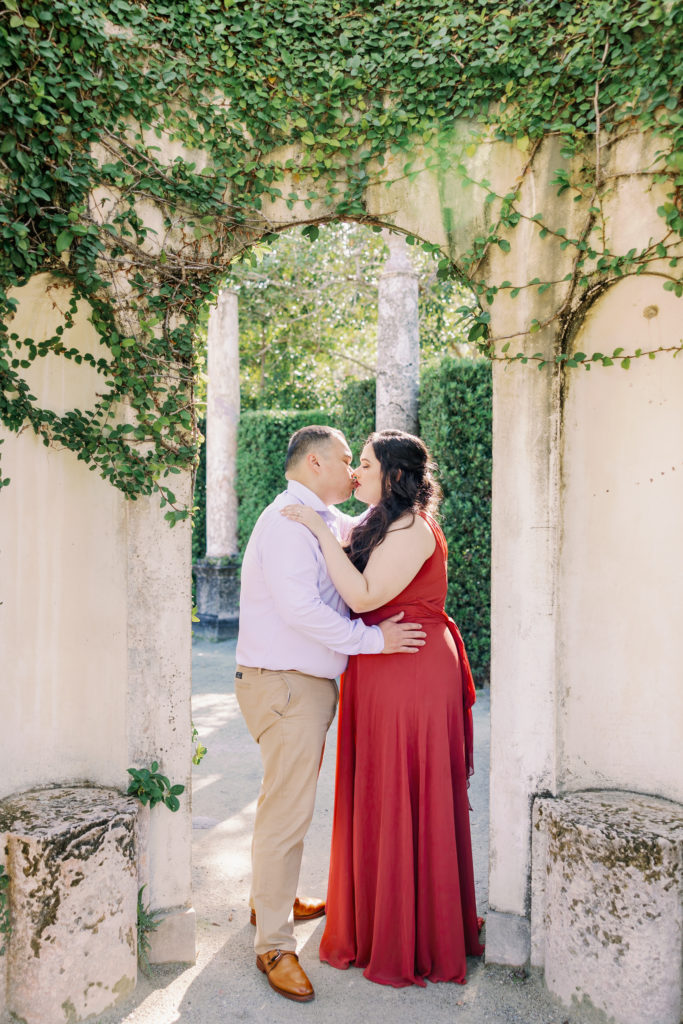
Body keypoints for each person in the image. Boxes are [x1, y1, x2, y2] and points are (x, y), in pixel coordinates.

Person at [281, 428, 485, 988]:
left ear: (394, 476)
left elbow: (365, 596)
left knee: (404, 787)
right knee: (380, 788)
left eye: (364, 466)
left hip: (411, 670)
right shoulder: (378, 521)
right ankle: (378, 919)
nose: (355, 474)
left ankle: (412, 932)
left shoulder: (413, 528)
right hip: (381, 664)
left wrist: (321, 535)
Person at [235, 424, 427, 1004]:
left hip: (296, 685)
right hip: (287, 685)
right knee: (286, 814)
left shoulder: (312, 517)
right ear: (316, 463)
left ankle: (274, 895)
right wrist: (373, 644)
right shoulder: (288, 524)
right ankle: (273, 943)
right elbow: (300, 610)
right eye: (347, 461)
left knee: (284, 802)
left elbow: (361, 534)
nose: (353, 471)